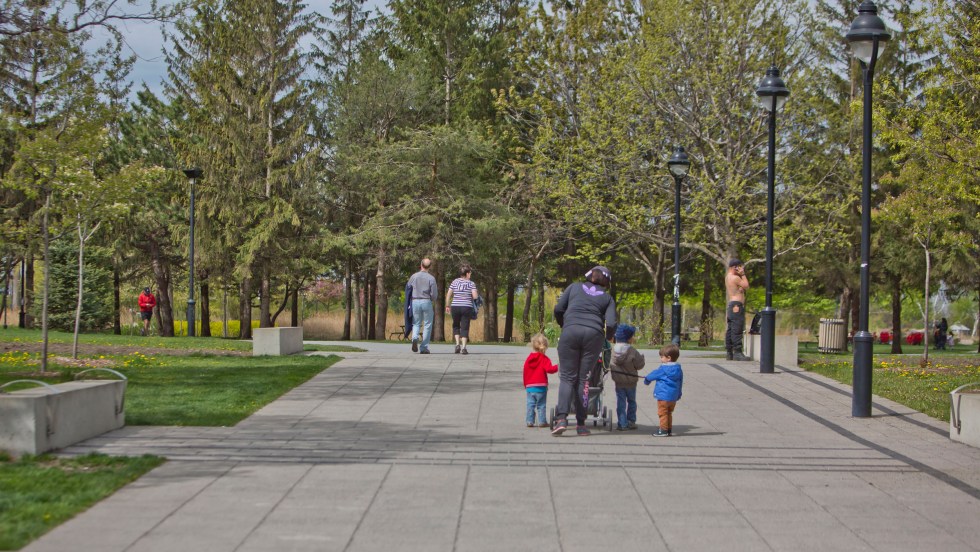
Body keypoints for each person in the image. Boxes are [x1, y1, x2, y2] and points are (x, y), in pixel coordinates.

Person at [551, 265, 617, 437]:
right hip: (593, 336)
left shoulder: (573, 287)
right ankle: (581, 425)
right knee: (584, 379)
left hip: (570, 332)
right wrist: (608, 337)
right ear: (606, 282)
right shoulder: (607, 298)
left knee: (567, 377)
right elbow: (610, 324)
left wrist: (565, 325)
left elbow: (558, 309)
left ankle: (562, 419)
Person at [644, 343, 683, 437]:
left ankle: (663, 430)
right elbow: (680, 382)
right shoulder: (678, 369)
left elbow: (653, 375)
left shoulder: (664, 368)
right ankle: (668, 428)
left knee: (662, 413)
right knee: (669, 413)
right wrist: (679, 393)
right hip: (673, 397)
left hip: (663, 396)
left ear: (668, 358)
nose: (661, 359)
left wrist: (647, 380)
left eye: (662, 357)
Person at [610, 323, 645, 431]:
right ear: (629, 338)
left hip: (619, 382)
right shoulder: (632, 351)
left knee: (621, 402)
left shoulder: (613, 351)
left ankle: (622, 423)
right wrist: (642, 358)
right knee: (631, 401)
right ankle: (631, 421)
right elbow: (639, 365)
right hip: (631, 382)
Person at [523, 333, 559, 427]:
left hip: (530, 387)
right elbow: (549, 369)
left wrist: (525, 384)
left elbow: (525, 372)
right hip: (541, 386)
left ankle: (530, 421)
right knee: (541, 405)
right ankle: (542, 421)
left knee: (530, 404)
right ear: (545, 347)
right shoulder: (544, 358)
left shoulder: (529, 359)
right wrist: (558, 367)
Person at [407, 258, 438, 354]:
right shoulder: (431, 278)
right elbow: (434, 294)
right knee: (428, 325)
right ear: (430, 267)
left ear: (421, 265)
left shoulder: (414, 276)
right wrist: (431, 299)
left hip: (415, 301)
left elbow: (408, 287)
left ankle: (415, 338)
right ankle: (424, 347)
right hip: (426, 301)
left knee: (416, 323)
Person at [445, 265, 478, 355]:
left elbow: (448, 295)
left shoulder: (454, 282)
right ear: (467, 273)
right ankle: (464, 347)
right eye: (470, 272)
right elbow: (475, 297)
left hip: (455, 306)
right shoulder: (471, 283)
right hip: (466, 307)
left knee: (456, 325)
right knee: (465, 326)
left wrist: (447, 306)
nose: (470, 274)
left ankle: (457, 345)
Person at [725, 258, 751, 361]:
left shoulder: (728, 277)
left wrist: (741, 288)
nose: (740, 268)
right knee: (737, 329)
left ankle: (729, 352)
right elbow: (746, 286)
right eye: (739, 267)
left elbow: (740, 288)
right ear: (734, 267)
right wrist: (743, 274)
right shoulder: (735, 278)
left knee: (731, 329)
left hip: (732, 305)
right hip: (737, 306)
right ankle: (738, 352)